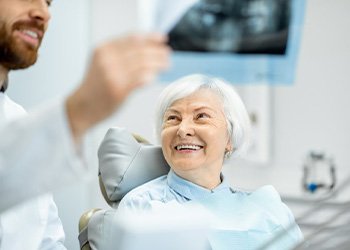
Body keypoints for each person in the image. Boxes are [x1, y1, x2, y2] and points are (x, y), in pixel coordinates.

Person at [0, 0, 170, 249]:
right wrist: (78, 111)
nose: (44, 13)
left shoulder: (16, 117)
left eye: (48, 3)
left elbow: (48, 241)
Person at [117, 74, 303, 249]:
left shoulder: (269, 209)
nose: (183, 129)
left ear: (229, 138)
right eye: (173, 118)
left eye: (201, 117)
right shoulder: (142, 207)